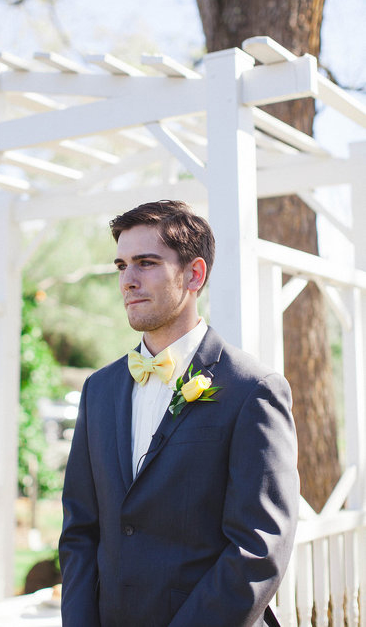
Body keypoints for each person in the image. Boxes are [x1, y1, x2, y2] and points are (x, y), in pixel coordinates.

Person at [59, 199, 299, 627]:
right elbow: (80, 531)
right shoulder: (99, 390)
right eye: (121, 265)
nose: (127, 281)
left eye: (146, 263)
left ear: (195, 274)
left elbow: (258, 549)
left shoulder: (253, 390)